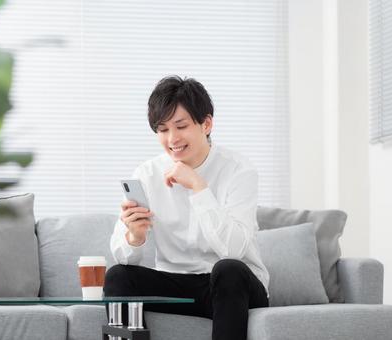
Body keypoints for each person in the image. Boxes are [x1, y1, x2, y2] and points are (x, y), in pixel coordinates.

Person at [104, 75, 269, 340]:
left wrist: (199, 188)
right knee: (118, 276)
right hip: (178, 284)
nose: (172, 139)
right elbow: (124, 257)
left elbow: (234, 251)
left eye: (180, 126)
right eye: (163, 129)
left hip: (234, 286)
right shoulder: (147, 173)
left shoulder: (239, 171)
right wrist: (135, 236)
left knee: (228, 270)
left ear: (206, 123)